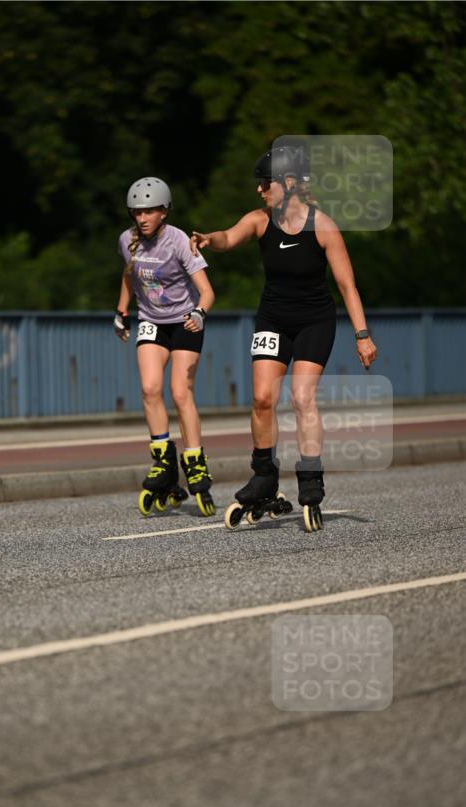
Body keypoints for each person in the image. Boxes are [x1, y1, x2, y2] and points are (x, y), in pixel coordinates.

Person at [191, 146, 377, 532]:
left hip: (314, 321)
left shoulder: (322, 226)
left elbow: (347, 286)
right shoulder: (260, 220)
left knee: (302, 397)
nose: (260, 190)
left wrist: (362, 336)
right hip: (273, 318)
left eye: (265, 183)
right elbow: (230, 236)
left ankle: (310, 483)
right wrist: (211, 239)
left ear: (289, 184)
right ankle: (264, 477)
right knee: (262, 398)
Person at [115, 176, 216, 517]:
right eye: (136, 212)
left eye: (149, 212)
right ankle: (163, 462)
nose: (141, 218)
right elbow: (130, 275)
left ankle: (196, 462)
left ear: (164, 212)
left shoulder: (179, 242)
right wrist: (121, 310)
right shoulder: (128, 240)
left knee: (180, 391)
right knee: (149, 387)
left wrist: (200, 313)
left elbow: (208, 291)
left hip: (185, 321)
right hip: (151, 320)